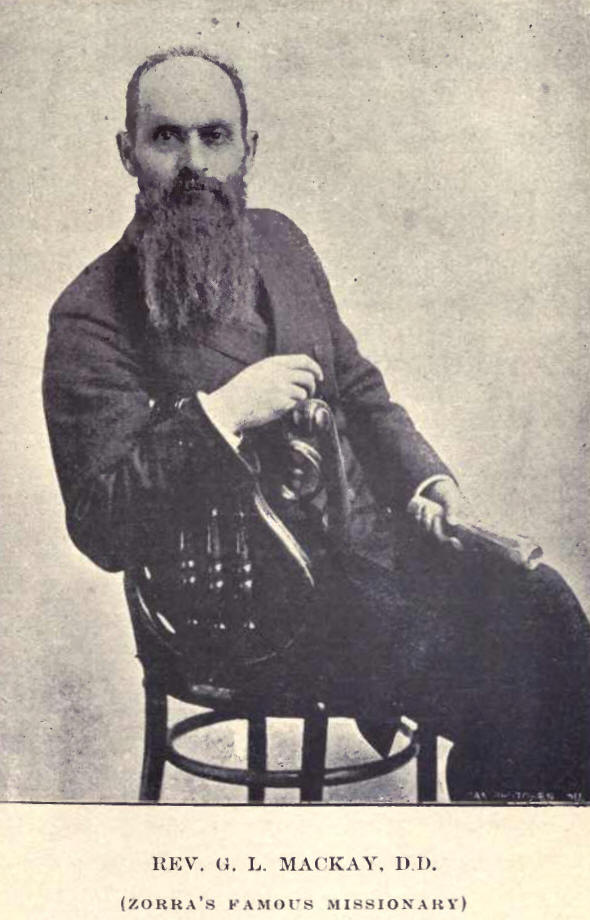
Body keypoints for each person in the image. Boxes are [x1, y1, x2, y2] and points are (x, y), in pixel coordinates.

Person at [43, 46, 590, 802]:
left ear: (248, 148)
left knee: (547, 609)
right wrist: (225, 412)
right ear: (126, 152)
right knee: (507, 680)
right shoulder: (91, 314)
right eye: (166, 137)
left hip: (371, 561)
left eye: (215, 136)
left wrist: (431, 482)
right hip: (243, 617)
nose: (195, 163)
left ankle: (516, 840)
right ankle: (500, 834)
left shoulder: (282, 243)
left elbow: (357, 387)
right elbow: (101, 523)